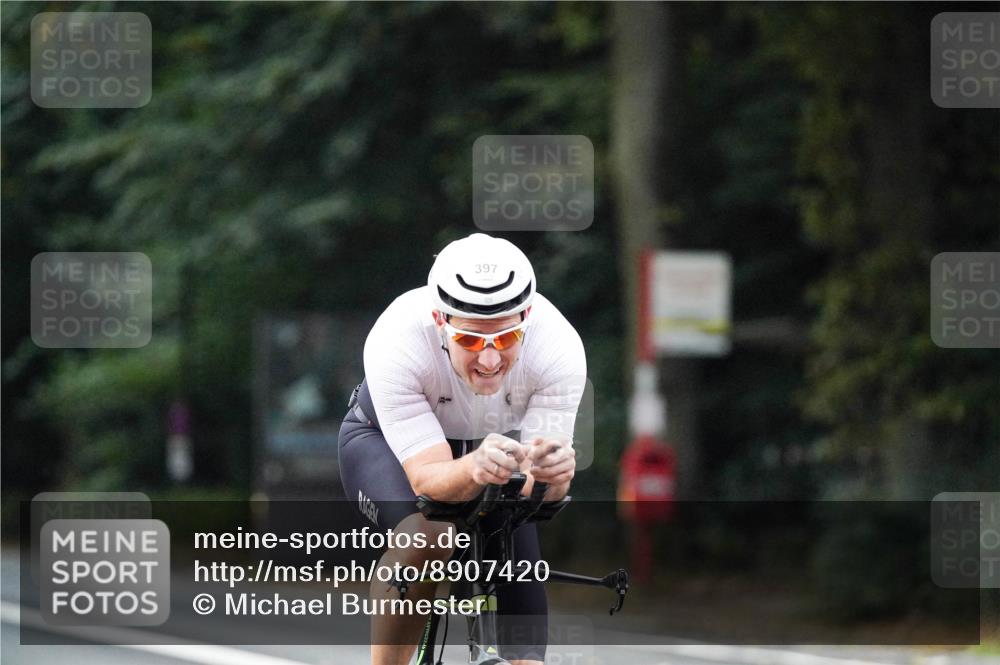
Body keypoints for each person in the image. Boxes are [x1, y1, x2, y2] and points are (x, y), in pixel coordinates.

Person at [338, 233, 586, 665]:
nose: (489, 360)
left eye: (506, 340)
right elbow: (428, 481)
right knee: (430, 535)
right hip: (385, 443)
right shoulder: (397, 338)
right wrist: (473, 466)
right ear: (439, 320)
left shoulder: (557, 348)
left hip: (494, 450)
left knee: (510, 542)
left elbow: (538, 493)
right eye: (471, 341)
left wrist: (554, 476)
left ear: (527, 318)